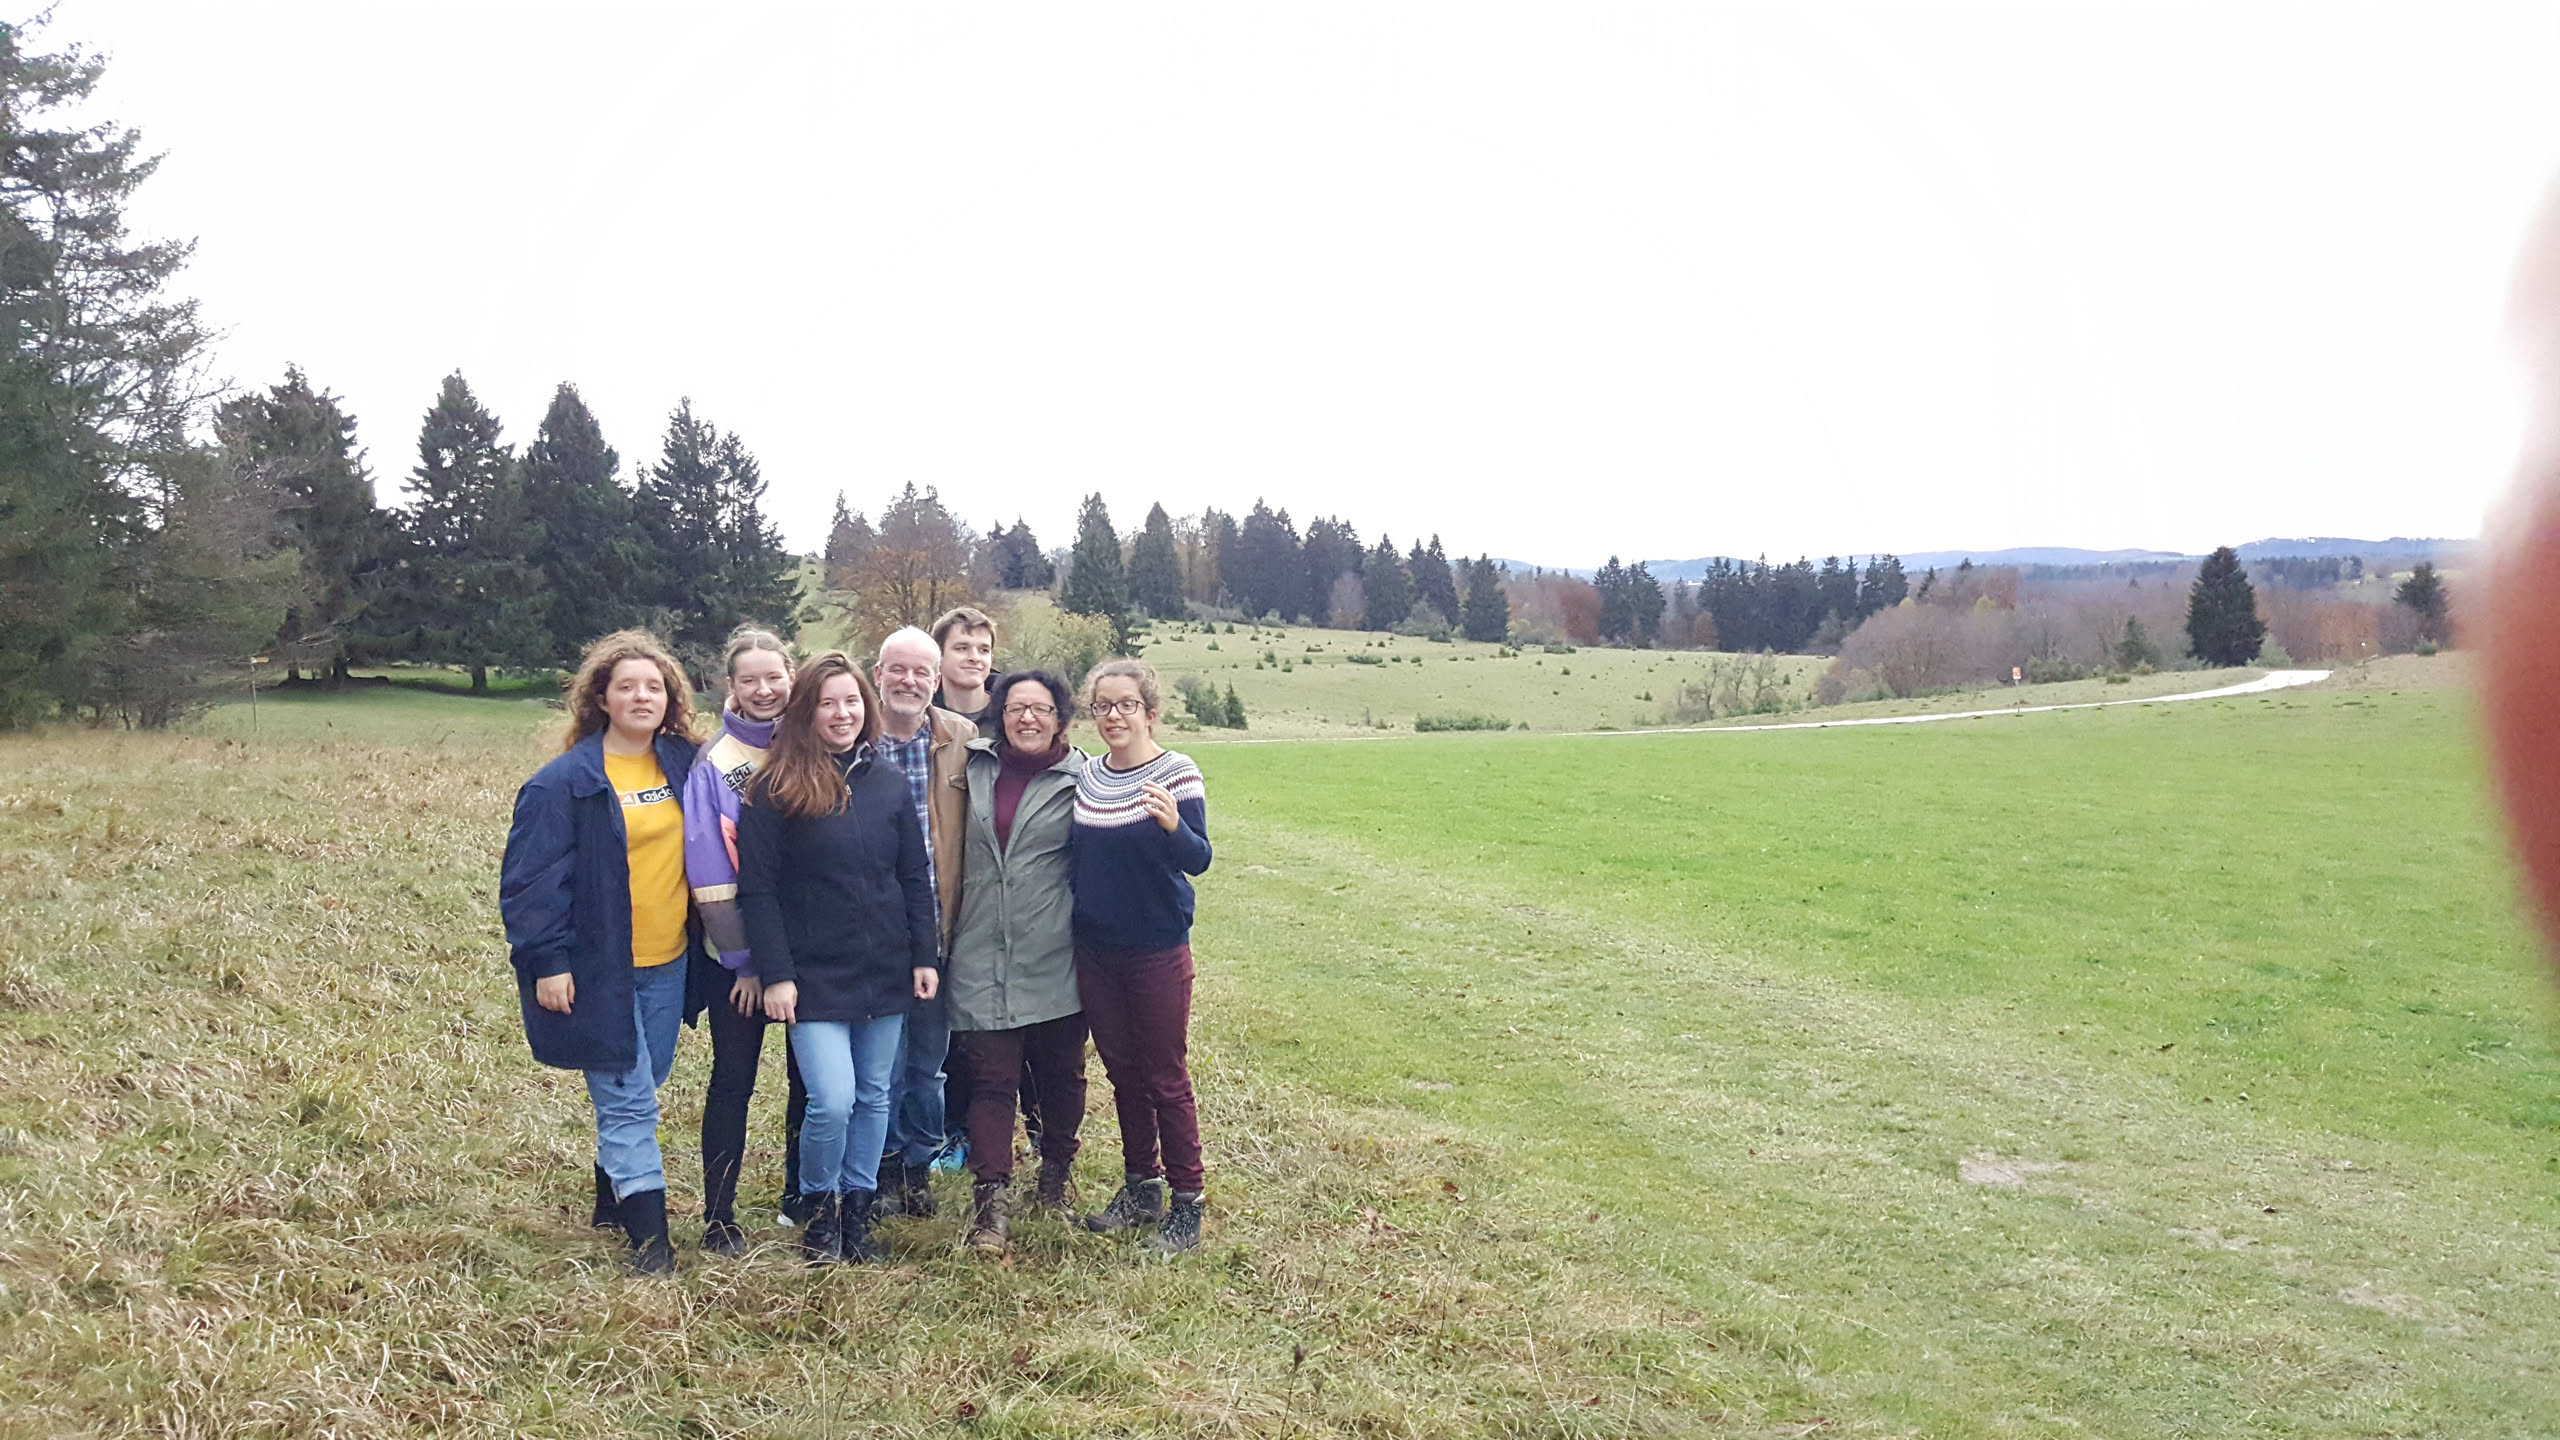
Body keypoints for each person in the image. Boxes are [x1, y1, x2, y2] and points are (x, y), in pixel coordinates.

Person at [499, 629, 704, 1275]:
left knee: (646, 1079)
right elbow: (530, 884)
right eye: (627, 687)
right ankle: (652, 1243)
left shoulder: (686, 764)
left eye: (654, 687)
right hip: (596, 970)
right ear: (601, 699)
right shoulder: (565, 783)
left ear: (670, 699)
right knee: (631, 1102)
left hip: (668, 961)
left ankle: (610, 1199)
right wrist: (547, 962)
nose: (642, 697)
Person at [736, 653, 939, 1264]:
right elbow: (758, 891)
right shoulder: (774, 789)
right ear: (807, 712)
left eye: (851, 701)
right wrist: (777, 975)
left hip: (886, 969)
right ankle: (819, 1212)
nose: (842, 713)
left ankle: (858, 1210)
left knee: (875, 1095)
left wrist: (924, 956)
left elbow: (914, 875)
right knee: (832, 1100)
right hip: (812, 978)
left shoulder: (887, 781)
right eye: (828, 703)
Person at [1071, 658, 1214, 1252]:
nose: (1114, 715)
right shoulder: (1087, 777)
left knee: (1165, 1076)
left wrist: (1175, 825)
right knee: (1123, 1072)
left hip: (1156, 950)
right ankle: (1141, 1187)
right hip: (1095, 951)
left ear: (1149, 713)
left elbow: (1199, 859)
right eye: (1103, 705)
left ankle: (1187, 1204)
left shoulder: (1177, 773)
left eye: (1126, 704)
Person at [682, 626, 815, 1254]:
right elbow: (709, 874)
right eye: (749, 680)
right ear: (730, 686)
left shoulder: (813, 742)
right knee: (733, 1078)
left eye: (774, 677)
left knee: (807, 1079)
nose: (764, 690)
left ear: (791, 674)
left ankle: (800, 1195)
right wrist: (746, 963)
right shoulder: (716, 763)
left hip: (808, 948)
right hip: (739, 962)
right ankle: (719, 1215)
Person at [946, 670, 1089, 1252]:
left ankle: (1055, 1176)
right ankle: (991, 1205)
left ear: (1060, 718)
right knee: (991, 1079)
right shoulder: (973, 767)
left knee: (1061, 1074)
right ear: (999, 715)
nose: (1027, 718)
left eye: (1041, 708)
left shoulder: (1084, 779)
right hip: (980, 947)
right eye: (1015, 708)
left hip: (1055, 950)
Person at [868, 627, 976, 1218]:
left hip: (939, 931)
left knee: (928, 1064)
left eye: (921, 673)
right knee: (881, 1066)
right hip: (874, 937)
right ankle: (883, 1168)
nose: (908, 681)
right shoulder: (852, 734)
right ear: (878, 674)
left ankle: (918, 1167)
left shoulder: (961, 739)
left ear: (936, 681)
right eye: (898, 669)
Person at [929, 605, 999, 725]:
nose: (975, 658)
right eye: (962, 648)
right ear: (938, 656)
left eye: (984, 650)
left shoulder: (1011, 715)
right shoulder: (920, 718)